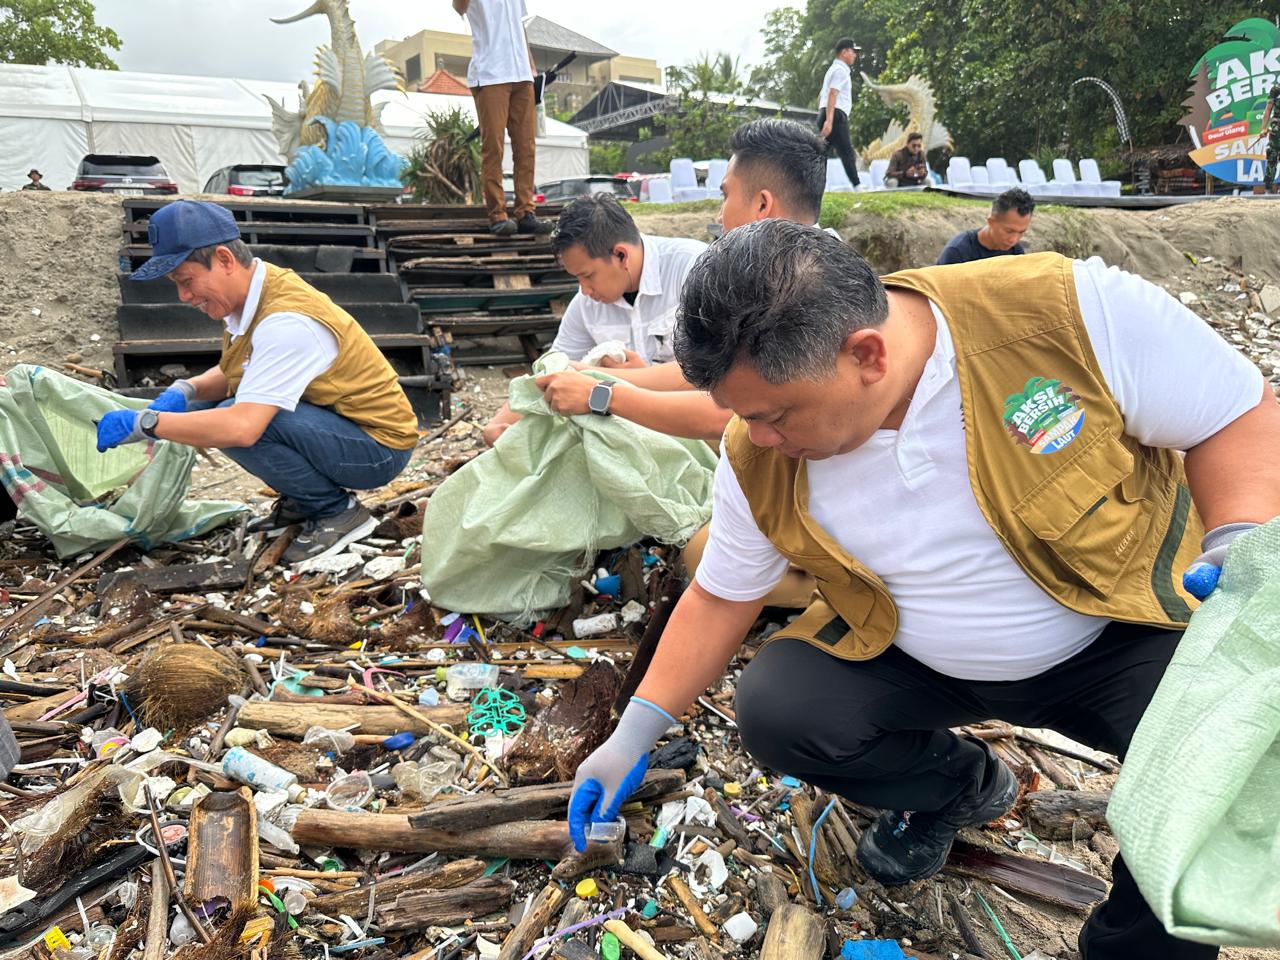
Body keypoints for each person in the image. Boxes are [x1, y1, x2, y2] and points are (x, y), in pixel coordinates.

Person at [568, 219, 1280, 959]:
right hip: (912, 650)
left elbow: (1238, 413)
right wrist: (633, 735)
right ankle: (960, 788)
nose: (758, 436)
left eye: (774, 414)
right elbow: (721, 594)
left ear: (866, 354)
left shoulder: (1065, 314)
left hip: (1117, 633)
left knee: (1223, 753)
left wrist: (1238, 539)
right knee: (782, 708)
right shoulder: (757, 451)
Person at [94, 200, 418, 563]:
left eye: (186, 281)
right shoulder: (254, 295)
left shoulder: (287, 321)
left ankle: (336, 512)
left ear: (224, 259)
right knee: (201, 407)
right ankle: (303, 498)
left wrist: (147, 423)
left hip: (378, 449)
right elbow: (243, 369)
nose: (183, 296)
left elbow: (242, 427)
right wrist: (185, 390)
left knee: (234, 420)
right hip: (344, 428)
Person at [481, 194, 706, 443]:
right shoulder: (586, 303)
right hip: (633, 435)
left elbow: (709, 375)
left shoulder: (694, 270)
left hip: (700, 430)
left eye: (588, 276)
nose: (584, 289)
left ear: (621, 255)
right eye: (577, 278)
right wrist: (500, 423)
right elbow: (551, 372)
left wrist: (594, 379)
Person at [453, 0, 551, 236]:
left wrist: (532, 67)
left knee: (526, 147)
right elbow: (458, 7)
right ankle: (497, 214)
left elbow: (519, 26)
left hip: (522, 73)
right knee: (493, 147)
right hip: (490, 73)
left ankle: (526, 212)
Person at [937, 187, 1034, 265]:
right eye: (1009, 231)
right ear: (991, 222)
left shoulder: (1016, 252)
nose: (1013, 240)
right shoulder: (958, 252)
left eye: (1021, 233)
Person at [817, 38, 861, 190]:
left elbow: (821, 95)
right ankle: (857, 186)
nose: (855, 55)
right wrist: (829, 121)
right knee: (847, 152)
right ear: (844, 52)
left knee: (821, 154)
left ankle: (814, 186)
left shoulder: (832, 70)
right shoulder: (840, 71)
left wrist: (824, 117)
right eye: (853, 51)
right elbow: (832, 94)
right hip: (834, 115)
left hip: (825, 112)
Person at [1260, 80, 1280, 193]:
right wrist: (1263, 128)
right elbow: (1268, 110)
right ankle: (1268, 187)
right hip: (1277, 125)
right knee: (1272, 155)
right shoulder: (1276, 90)